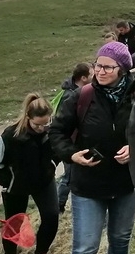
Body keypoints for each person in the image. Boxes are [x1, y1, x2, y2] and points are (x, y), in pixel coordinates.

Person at [48, 42, 135, 254]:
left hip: (127, 184)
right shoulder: (81, 96)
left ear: (122, 69)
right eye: (97, 65)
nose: (100, 71)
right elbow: (56, 132)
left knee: (120, 240)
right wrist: (71, 154)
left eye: (108, 67)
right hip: (88, 186)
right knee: (86, 248)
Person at [0, 94, 59, 254]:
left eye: (46, 123)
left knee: (52, 218)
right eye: (37, 125)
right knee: (13, 226)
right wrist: (9, 180)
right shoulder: (10, 136)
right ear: (28, 118)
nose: (42, 128)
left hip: (44, 182)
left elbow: (59, 151)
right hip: (17, 186)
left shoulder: (51, 131)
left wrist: (52, 164)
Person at [53, 62, 92, 213]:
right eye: (91, 74)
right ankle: (58, 206)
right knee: (69, 177)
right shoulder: (71, 96)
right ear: (83, 78)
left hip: (76, 142)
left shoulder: (76, 91)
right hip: (71, 144)